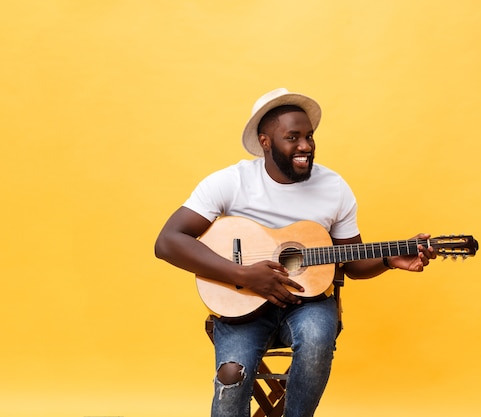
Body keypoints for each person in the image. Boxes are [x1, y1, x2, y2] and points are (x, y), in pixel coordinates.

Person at [154, 88, 436, 417]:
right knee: (232, 375)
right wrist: (243, 274)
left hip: (308, 305)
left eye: (309, 136)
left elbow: (353, 261)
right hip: (242, 305)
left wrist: (389, 259)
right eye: (292, 137)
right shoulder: (231, 182)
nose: (305, 146)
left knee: (317, 342)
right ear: (265, 141)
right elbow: (168, 241)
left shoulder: (334, 188)